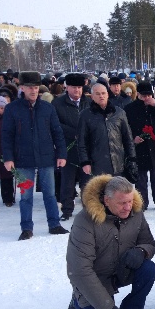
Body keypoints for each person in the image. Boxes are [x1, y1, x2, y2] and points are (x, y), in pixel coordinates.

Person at [67, 175, 155, 309]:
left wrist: (141, 251)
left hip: (121, 270)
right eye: (122, 203)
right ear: (106, 200)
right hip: (94, 278)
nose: (128, 207)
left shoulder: (135, 212)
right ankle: (78, 301)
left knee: (149, 269)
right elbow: (80, 271)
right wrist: (107, 308)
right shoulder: (85, 221)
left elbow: (148, 242)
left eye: (130, 201)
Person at [1, 71, 69, 241]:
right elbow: (6, 135)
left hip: (46, 157)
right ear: (22, 87)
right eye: (30, 87)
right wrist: (8, 158)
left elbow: (57, 132)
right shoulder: (12, 109)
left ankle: (54, 224)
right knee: (26, 196)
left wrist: (61, 153)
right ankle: (26, 228)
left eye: (36, 87)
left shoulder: (48, 107)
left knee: (50, 194)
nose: (33, 91)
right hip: (23, 159)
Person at [77, 82, 137, 191]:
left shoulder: (119, 113)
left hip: (118, 163)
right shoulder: (86, 115)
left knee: (117, 195)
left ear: (108, 94)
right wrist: (85, 162)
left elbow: (128, 138)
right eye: (98, 94)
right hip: (96, 164)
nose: (101, 96)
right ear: (92, 96)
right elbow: (82, 142)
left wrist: (132, 159)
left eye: (104, 93)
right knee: (99, 196)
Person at [52, 73, 91, 220]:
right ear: (66, 87)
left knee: (87, 182)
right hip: (67, 148)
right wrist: (74, 133)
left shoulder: (88, 102)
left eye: (79, 87)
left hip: (86, 150)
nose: (77, 91)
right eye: (74, 87)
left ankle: (88, 209)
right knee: (67, 182)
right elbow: (55, 124)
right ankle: (67, 210)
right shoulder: (58, 104)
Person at [124, 81, 155, 211]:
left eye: (149, 95)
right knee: (141, 180)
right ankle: (142, 203)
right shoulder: (130, 108)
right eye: (143, 95)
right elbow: (126, 129)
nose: (146, 98)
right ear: (138, 94)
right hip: (140, 147)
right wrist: (133, 139)